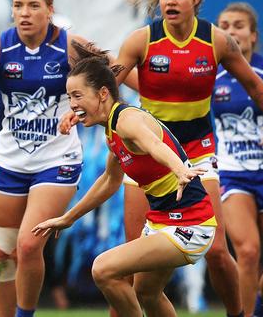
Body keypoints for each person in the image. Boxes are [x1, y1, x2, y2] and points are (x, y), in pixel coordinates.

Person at [56, 0, 263, 317]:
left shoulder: (216, 40)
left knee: (215, 251)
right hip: (144, 149)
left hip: (195, 154)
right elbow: (107, 83)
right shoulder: (143, 40)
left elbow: (257, 87)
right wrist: (78, 109)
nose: (170, 1)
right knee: (132, 260)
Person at [32, 41, 216, 317]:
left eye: (78, 96)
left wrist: (180, 169)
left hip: (191, 223)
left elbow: (154, 144)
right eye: (70, 97)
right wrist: (68, 217)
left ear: (103, 93)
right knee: (147, 292)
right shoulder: (111, 131)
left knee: (103, 269)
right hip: (162, 221)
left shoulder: (126, 120)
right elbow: (109, 181)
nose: (72, 105)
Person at [0, 0, 88, 317]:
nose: (24, 13)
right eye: (18, 5)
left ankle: (25, 313)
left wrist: (82, 111)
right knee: (3, 252)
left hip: (58, 159)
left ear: (50, 11)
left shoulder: (70, 46)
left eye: (33, 6)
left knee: (29, 245)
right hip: (11, 161)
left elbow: (112, 75)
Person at [212, 2, 263, 317]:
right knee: (247, 250)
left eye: (239, 25)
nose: (231, 31)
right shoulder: (209, 73)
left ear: (253, 35)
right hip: (232, 173)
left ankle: (256, 311)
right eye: (225, 25)